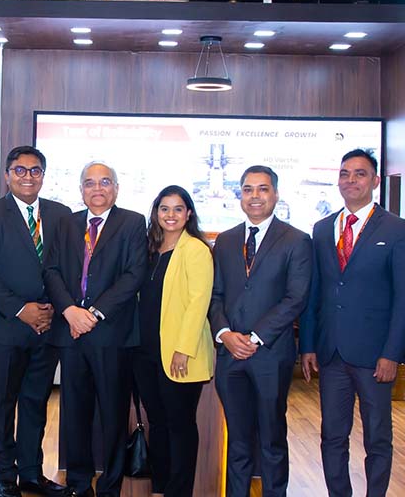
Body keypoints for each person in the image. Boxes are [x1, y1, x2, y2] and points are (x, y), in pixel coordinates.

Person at [300, 149, 405, 497]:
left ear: (375, 181)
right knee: (332, 436)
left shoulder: (396, 229)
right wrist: (308, 345)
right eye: (345, 173)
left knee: (378, 438)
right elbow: (314, 293)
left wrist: (393, 354)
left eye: (360, 174)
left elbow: (403, 298)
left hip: (375, 356)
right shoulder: (322, 228)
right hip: (331, 354)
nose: (351, 180)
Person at [0, 146, 72, 497]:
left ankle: (31, 473)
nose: (28, 176)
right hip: (4, 329)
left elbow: (68, 267)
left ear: (43, 175)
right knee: (2, 406)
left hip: (48, 327)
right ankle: (5, 477)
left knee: (35, 403)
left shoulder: (61, 215)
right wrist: (21, 309)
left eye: (35, 170)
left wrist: (55, 307)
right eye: (20, 170)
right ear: (7, 175)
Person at [43, 161, 147, 497]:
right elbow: (51, 271)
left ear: (116, 188)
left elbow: (134, 274)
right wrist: (70, 311)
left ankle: (110, 487)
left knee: (113, 416)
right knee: (75, 413)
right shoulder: (67, 223)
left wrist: (93, 315)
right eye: (90, 183)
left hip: (112, 335)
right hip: (71, 333)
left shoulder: (132, 222)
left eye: (105, 182)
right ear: (81, 190)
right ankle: (78, 483)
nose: (97, 189)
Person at [208, 165, 312, 497]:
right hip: (230, 356)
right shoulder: (225, 241)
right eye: (248, 189)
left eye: (263, 189)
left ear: (276, 195)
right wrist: (225, 334)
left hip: (270, 355)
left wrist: (254, 338)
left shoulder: (296, 240)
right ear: (240, 195)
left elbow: (295, 298)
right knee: (237, 441)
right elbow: (215, 295)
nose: (255, 196)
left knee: (271, 439)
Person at [134, 185, 213, 497]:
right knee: (157, 422)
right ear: (156, 213)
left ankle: (178, 491)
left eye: (178, 209)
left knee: (180, 425)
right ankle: (160, 487)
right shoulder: (149, 249)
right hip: (145, 352)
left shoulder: (195, 249)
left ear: (188, 213)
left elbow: (198, 303)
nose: (170, 215)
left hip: (179, 354)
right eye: (164, 208)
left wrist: (183, 349)